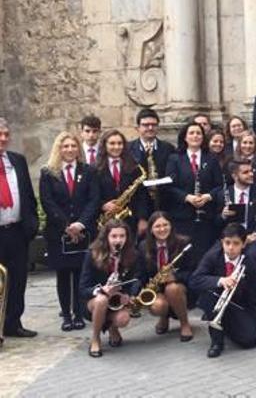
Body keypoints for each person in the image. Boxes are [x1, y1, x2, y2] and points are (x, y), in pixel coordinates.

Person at [40, 131, 100, 332]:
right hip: (59, 232)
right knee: (63, 275)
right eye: (65, 146)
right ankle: (66, 315)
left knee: (80, 273)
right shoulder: (48, 172)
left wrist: (80, 224)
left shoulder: (88, 171)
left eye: (73, 146)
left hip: (84, 231)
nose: (69, 150)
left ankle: (79, 313)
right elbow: (47, 202)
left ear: (78, 148)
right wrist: (67, 225)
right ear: (59, 149)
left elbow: (93, 200)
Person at [191, 223, 256, 358]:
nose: (231, 248)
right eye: (227, 243)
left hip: (238, 304)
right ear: (222, 242)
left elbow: (255, 294)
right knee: (210, 295)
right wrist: (221, 280)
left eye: (236, 243)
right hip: (215, 300)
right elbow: (195, 280)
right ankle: (216, 342)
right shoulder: (213, 256)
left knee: (250, 340)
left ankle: (226, 327)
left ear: (243, 244)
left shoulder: (249, 262)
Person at [79, 219, 141, 357]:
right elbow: (83, 288)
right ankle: (95, 338)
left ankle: (113, 328)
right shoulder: (92, 254)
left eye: (122, 236)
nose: (118, 240)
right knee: (101, 300)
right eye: (114, 236)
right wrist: (101, 290)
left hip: (117, 302)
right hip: (93, 302)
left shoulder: (132, 255)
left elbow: (136, 279)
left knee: (123, 319)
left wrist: (130, 295)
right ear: (106, 237)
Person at [165, 123, 223, 261]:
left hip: (206, 216)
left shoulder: (212, 158)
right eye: (191, 133)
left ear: (203, 137)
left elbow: (220, 185)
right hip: (182, 216)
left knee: (204, 254)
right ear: (185, 137)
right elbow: (169, 186)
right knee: (185, 255)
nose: (195, 136)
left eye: (198, 133)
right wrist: (187, 197)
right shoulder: (175, 159)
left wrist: (208, 196)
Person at [135, 212, 195, 341]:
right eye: (157, 226)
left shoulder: (183, 242)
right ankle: (164, 317)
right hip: (157, 289)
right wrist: (135, 295)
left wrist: (175, 277)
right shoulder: (143, 246)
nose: (162, 229)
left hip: (180, 286)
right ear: (151, 229)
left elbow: (193, 272)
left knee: (171, 288)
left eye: (165, 225)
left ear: (171, 225)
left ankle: (184, 323)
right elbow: (140, 274)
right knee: (158, 306)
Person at [213, 159, 256, 262]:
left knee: (252, 256)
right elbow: (216, 222)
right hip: (230, 238)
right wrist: (223, 216)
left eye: (251, 171)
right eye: (245, 172)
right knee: (213, 256)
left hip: (252, 237)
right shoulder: (223, 194)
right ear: (234, 176)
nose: (251, 174)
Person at [95, 130, 148, 237]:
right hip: (104, 221)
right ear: (104, 145)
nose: (117, 147)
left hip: (129, 220)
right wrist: (103, 205)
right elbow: (90, 195)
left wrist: (142, 219)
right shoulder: (94, 168)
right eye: (112, 143)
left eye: (120, 143)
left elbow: (142, 195)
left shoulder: (134, 166)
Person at [128, 108, 176, 213]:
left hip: (164, 205)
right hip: (136, 207)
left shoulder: (169, 149)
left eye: (153, 125)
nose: (150, 128)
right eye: (145, 125)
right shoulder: (128, 149)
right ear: (137, 128)